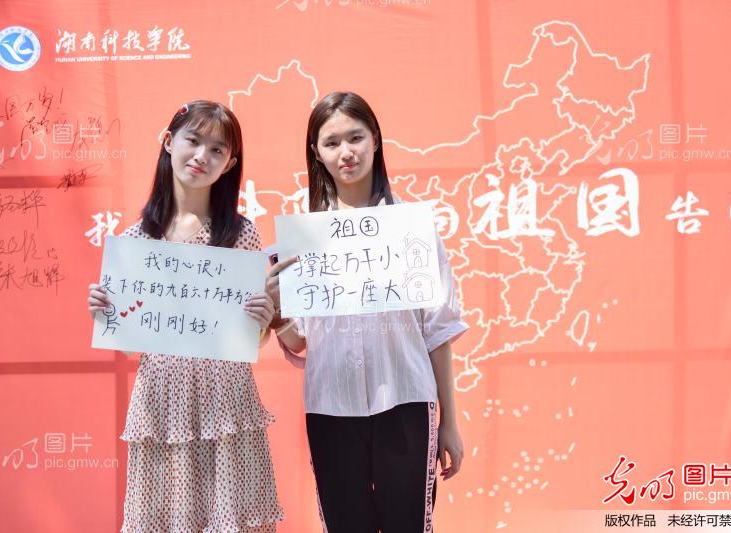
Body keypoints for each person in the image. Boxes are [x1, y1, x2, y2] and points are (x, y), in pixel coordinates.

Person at [267, 91, 467, 532]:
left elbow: (436, 331)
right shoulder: (304, 240)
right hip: (330, 405)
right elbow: (300, 340)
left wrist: (450, 423)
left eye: (355, 137)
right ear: (316, 153)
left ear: (375, 139)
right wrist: (278, 316)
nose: (346, 152)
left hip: (406, 400)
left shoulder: (412, 228)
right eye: (332, 142)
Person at [87, 100, 284, 532]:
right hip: (162, 400)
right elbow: (131, 346)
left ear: (230, 163)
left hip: (226, 400)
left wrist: (263, 319)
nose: (201, 156)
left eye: (217, 150)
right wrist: (106, 315)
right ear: (168, 142)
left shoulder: (241, 234)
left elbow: (252, 339)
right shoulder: (135, 241)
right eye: (192, 141)